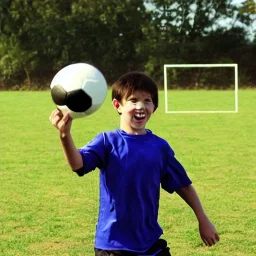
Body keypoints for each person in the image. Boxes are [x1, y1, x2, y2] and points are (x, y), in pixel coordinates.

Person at [49, 71, 220, 256]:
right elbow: (78, 165)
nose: (141, 106)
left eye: (147, 100)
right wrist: (64, 135)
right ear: (118, 105)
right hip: (114, 245)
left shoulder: (160, 147)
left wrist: (202, 219)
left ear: (154, 107)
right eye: (133, 100)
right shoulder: (107, 141)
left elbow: (184, 186)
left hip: (150, 242)